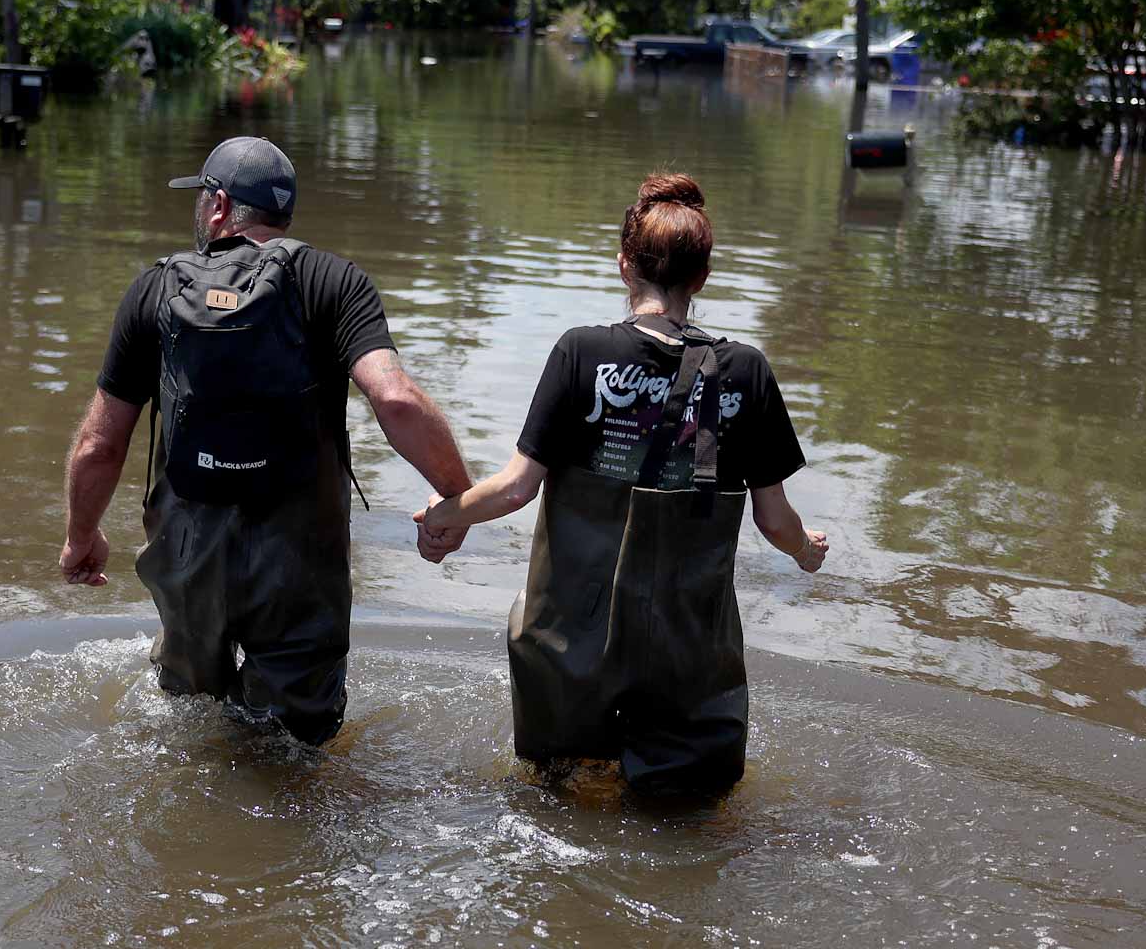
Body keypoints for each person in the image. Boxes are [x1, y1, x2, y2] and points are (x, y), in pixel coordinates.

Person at [414, 172, 827, 794]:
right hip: (687, 641)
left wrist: (447, 514)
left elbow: (516, 488)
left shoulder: (580, 353)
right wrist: (807, 550)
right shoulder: (746, 371)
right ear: (703, 276)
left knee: (558, 800)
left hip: (572, 636)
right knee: (687, 822)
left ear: (624, 265)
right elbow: (773, 519)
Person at [61, 136, 473, 745]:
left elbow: (101, 444)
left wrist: (81, 534)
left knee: (186, 730)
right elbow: (396, 399)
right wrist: (458, 497)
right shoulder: (333, 281)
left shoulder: (154, 289)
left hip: (188, 549)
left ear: (220, 205)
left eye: (201, 198)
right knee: (295, 747)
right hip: (299, 555)